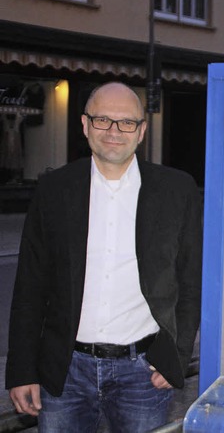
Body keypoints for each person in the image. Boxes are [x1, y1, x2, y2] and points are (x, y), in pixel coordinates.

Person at [5, 82, 203, 432]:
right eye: (102, 120)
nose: (114, 131)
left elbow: (190, 280)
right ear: (85, 125)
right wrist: (21, 370)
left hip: (142, 374)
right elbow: (30, 284)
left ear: (141, 131)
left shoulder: (176, 189)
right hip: (64, 372)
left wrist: (176, 356)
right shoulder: (55, 190)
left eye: (126, 122)